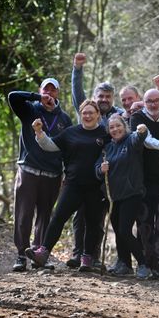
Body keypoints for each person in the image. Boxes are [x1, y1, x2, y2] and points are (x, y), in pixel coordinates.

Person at [25, 100, 109, 271]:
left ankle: (87, 259)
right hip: (73, 184)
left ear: (98, 114)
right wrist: (39, 132)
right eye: (84, 112)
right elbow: (50, 146)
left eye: (91, 112)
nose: (87, 115)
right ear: (80, 114)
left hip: (96, 186)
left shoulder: (105, 133)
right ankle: (43, 253)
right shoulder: (70, 132)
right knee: (58, 218)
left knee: (93, 223)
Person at [8, 78, 72, 272]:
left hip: (52, 175)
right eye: (46, 90)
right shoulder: (29, 109)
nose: (49, 94)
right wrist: (37, 97)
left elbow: (68, 148)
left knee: (45, 217)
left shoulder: (65, 119)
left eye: (53, 90)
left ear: (58, 94)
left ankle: (39, 255)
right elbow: (12, 96)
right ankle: (21, 255)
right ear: (40, 91)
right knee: (23, 215)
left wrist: (66, 173)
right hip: (29, 170)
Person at [66, 53, 123, 269]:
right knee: (79, 215)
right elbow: (77, 94)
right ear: (95, 96)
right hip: (83, 173)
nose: (104, 100)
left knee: (98, 218)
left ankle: (93, 255)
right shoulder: (89, 112)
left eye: (108, 96)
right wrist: (77, 70)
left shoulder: (118, 117)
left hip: (107, 175)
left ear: (112, 99)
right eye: (101, 96)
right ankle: (77, 253)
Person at [95, 114, 152, 279]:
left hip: (131, 194)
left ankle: (143, 264)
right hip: (113, 198)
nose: (115, 129)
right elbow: (97, 168)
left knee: (124, 231)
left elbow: (139, 137)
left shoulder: (130, 141)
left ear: (124, 126)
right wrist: (101, 169)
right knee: (120, 233)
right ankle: (124, 264)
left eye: (118, 126)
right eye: (111, 127)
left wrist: (142, 131)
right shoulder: (107, 148)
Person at [130, 88, 159, 279]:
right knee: (144, 222)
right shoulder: (137, 118)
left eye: (157, 100)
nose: (153, 104)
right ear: (144, 102)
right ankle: (146, 262)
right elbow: (146, 141)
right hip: (143, 181)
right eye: (149, 101)